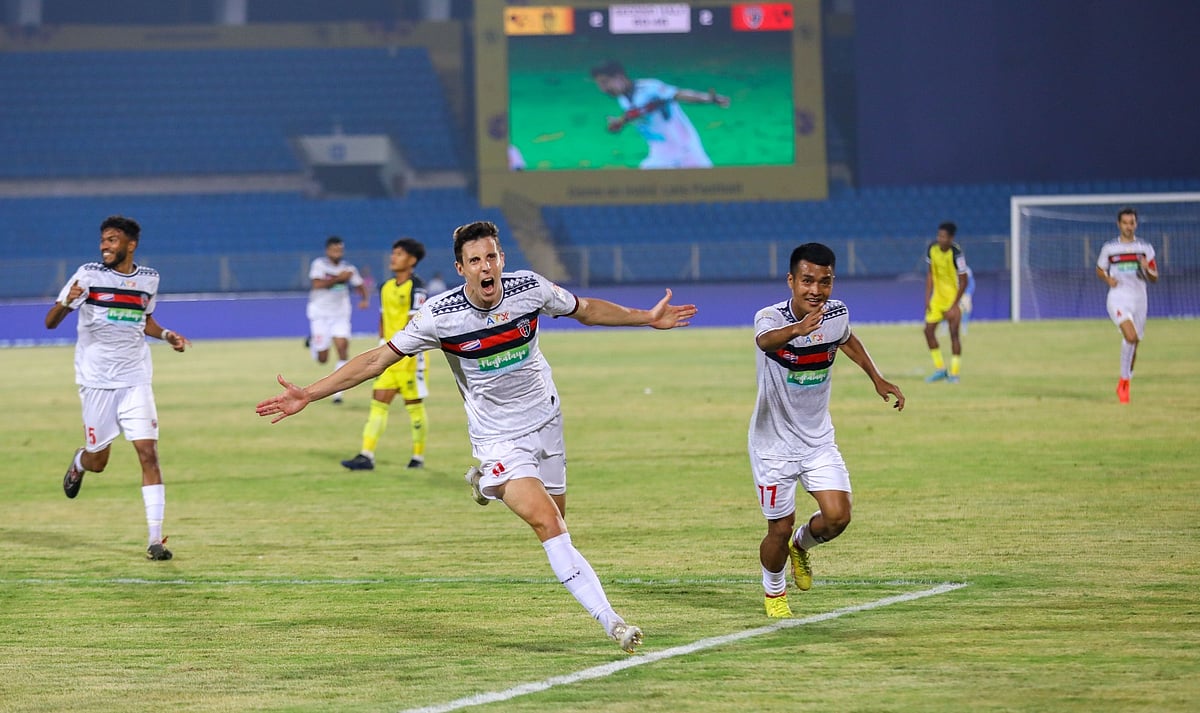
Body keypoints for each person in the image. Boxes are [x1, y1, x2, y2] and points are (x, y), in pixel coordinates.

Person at [258, 220, 697, 653]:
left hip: (547, 421)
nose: (486, 267)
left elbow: (585, 310)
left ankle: (488, 482)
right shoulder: (439, 316)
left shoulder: (530, 288)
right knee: (549, 524)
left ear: (501, 259)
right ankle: (613, 622)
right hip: (499, 438)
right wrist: (310, 394)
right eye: (475, 260)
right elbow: (377, 360)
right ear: (460, 268)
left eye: (491, 257)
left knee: (561, 518)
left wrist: (646, 317)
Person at [750, 243, 905, 618]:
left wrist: (877, 378)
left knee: (838, 516)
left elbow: (847, 339)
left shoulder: (836, 314)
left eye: (824, 281)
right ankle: (774, 593)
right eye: (807, 281)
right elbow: (764, 342)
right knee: (778, 528)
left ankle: (801, 547)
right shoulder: (770, 318)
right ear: (791, 281)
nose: (815, 290)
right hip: (773, 446)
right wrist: (798, 329)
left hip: (817, 439)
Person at [44, 215, 191, 561]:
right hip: (97, 382)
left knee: (149, 454)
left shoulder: (149, 279)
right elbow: (50, 322)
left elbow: (145, 319)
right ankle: (79, 462)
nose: (104, 246)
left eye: (111, 240)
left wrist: (167, 334)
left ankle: (156, 540)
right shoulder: (88, 275)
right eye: (103, 240)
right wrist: (68, 302)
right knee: (99, 462)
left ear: (130, 244)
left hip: (136, 379)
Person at [342, 238, 431, 471]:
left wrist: (402, 346)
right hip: (388, 357)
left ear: (412, 260)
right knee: (378, 403)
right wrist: (382, 343)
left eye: (399, 254)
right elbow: (383, 319)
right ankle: (366, 455)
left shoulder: (418, 287)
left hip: (411, 358)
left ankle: (417, 457)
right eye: (393, 253)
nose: (393, 257)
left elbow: (416, 322)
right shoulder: (385, 286)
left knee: (414, 407)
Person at [590, 59, 730, 169]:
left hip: (685, 149)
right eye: (600, 85)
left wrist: (708, 99)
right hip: (660, 154)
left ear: (620, 77)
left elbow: (678, 94)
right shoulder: (623, 99)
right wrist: (620, 122)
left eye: (605, 82)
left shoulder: (651, 88)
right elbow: (637, 111)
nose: (603, 89)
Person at [1095, 207, 1158, 403]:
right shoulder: (1110, 248)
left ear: (1136, 225)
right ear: (1119, 224)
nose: (1128, 227)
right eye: (1125, 223)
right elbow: (1099, 269)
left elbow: (1154, 277)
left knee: (1135, 342)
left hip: (1139, 299)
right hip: (1118, 297)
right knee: (1130, 336)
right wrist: (1108, 280)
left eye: (1132, 223)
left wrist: (1147, 270)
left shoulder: (1145, 248)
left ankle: (1126, 379)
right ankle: (1124, 383)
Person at [307, 235, 370, 403]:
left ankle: (338, 393)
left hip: (340, 314)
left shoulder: (348, 268)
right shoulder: (319, 265)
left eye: (340, 250)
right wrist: (339, 279)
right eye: (334, 250)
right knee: (323, 358)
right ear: (328, 250)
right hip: (320, 314)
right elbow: (316, 284)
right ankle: (314, 343)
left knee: (342, 348)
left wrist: (364, 299)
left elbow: (360, 285)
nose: (337, 253)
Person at [923, 221, 970, 383]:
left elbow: (964, 281)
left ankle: (955, 374)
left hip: (952, 299)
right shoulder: (932, 249)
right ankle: (940, 369)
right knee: (928, 332)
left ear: (951, 238)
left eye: (943, 236)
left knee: (954, 335)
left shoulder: (957, 253)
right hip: (937, 299)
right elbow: (930, 275)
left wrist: (954, 305)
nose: (940, 239)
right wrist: (928, 297)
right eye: (939, 235)